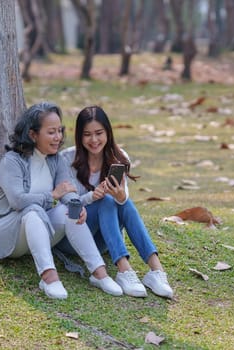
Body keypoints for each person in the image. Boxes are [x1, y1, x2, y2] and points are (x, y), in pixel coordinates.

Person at [0, 102, 123, 300]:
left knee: (68, 210)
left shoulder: (56, 160)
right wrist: (52, 195)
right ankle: (49, 277)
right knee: (32, 210)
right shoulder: (12, 162)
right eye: (51, 132)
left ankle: (99, 274)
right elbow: (18, 201)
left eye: (59, 131)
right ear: (33, 134)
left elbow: (68, 190)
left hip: (35, 229)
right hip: (0, 232)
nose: (58, 138)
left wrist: (76, 205)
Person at [58, 105, 174, 298]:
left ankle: (156, 271)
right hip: (74, 237)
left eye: (99, 133)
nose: (94, 140)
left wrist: (120, 195)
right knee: (105, 201)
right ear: (79, 136)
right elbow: (67, 203)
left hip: (104, 241)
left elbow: (123, 201)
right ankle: (124, 270)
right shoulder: (66, 159)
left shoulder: (119, 157)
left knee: (121, 202)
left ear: (108, 133)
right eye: (87, 134)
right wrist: (92, 196)